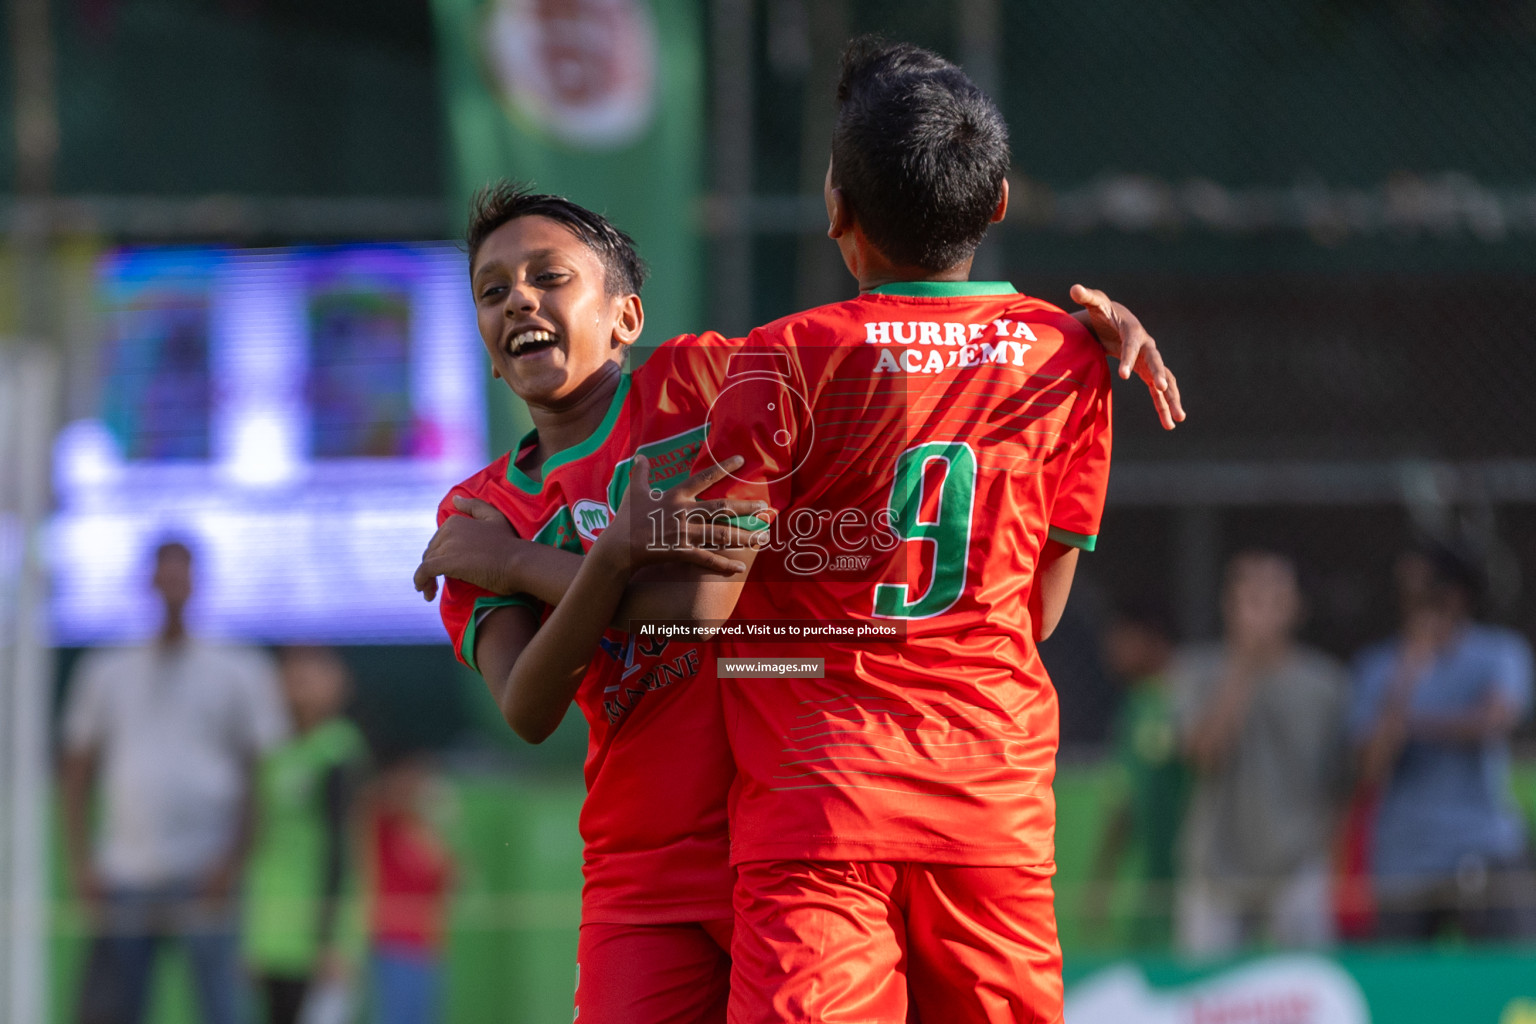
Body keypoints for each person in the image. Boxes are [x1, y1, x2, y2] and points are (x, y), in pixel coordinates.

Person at [409, 180, 1179, 1021]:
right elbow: (527, 705)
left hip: (786, 841)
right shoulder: (479, 512)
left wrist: (1064, 346)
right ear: (486, 345)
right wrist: (587, 559)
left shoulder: (704, 382)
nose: (520, 297)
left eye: (549, 276)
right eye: (493, 291)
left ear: (627, 318)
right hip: (643, 872)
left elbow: (715, 593)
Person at [675, 37, 1143, 1022]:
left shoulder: (780, 357)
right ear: (1000, 200)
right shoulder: (1073, 354)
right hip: (990, 802)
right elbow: (1041, 614)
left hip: (819, 805)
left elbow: (705, 611)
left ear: (837, 206)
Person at [61, 538, 288, 1024]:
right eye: (163, 573)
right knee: (109, 1011)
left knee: (222, 1010)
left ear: (196, 581)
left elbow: (259, 773)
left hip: (208, 874)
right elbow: (77, 769)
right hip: (125, 871)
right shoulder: (106, 668)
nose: (172, 585)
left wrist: (233, 863)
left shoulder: (238, 667)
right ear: (148, 580)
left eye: (181, 573)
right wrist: (81, 862)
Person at [1352, 540, 1536, 941]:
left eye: (1431, 591)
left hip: (1484, 845)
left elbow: (1495, 721)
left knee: (1508, 979)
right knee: (1402, 990)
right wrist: (1408, 673)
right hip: (1403, 857)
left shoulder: (1499, 652)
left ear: (1458, 595)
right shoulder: (1379, 666)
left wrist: (1412, 724)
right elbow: (1369, 769)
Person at [1168, 551, 1349, 956]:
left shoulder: (1325, 685)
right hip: (1215, 866)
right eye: (1251, 596)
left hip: (1298, 865)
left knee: (1308, 992)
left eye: (1274, 597)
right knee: (1207, 999)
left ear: (1297, 608)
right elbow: (1203, 754)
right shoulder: (1194, 670)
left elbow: (1341, 785)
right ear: (1229, 605)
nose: (1261, 610)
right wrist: (1244, 665)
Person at [245, 647, 369, 1024]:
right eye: (291, 675)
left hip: (318, 932)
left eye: (312, 675)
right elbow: (259, 844)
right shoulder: (274, 756)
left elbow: (342, 848)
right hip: (271, 930)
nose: (300, 684)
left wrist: (335, 941)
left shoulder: (339, 748)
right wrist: (250, 937)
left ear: (337, 685)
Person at [1085, 597, 1187, 949]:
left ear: (1150, 638)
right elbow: (1125, 802)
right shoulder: (1136, 704)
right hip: (1157, 887)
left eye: (1121, 636)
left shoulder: (1187, 695)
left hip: (1207, 876)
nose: (1111, 648)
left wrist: (1101, 881)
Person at [364, 751, 456, 1024]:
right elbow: (376, 798)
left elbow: (451, 878)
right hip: (391, 942)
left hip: (427, 946)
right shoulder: (384, 822)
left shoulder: (426, 832)